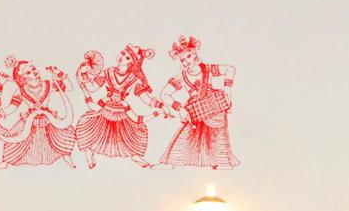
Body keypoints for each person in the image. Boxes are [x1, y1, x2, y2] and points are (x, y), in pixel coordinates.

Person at [155, 35, 239, 169]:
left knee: (216, 135)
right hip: (195, 110)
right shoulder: (182, 78)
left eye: (188, 56)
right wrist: (180, 109)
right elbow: (164, 94)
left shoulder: (208, 69)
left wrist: (227, 94)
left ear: (195, 55)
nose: (186, 61)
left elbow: (230, 70)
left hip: (214, 105)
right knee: (186, 135)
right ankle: (173, 163)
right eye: (182, 59)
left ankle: (221, 163)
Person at [74, 44, 164, 168]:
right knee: (91, 130)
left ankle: (137, 157)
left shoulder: (134, 78)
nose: (123, 57)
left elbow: (145, 98)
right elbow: (93, 87)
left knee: (134, 134)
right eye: (123, 53)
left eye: (127, 57)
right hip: (105, 108)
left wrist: (160, 106)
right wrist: (84, 75)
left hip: (122, 111)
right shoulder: (108, 72)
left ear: (131, 63)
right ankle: (89, 153)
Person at [0, 57, 76, 168]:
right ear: (22, 78)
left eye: (33, 69)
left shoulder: (48, 84)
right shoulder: (21, 90)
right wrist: (2, 112)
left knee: (60, 139)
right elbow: (13, 106)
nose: (33, 72)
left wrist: (58, 73)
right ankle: (6, 162)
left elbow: (69, 87)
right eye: (28, 72)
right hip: (30, 121)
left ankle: (67, 158)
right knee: (19, 144)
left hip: (48, 119)